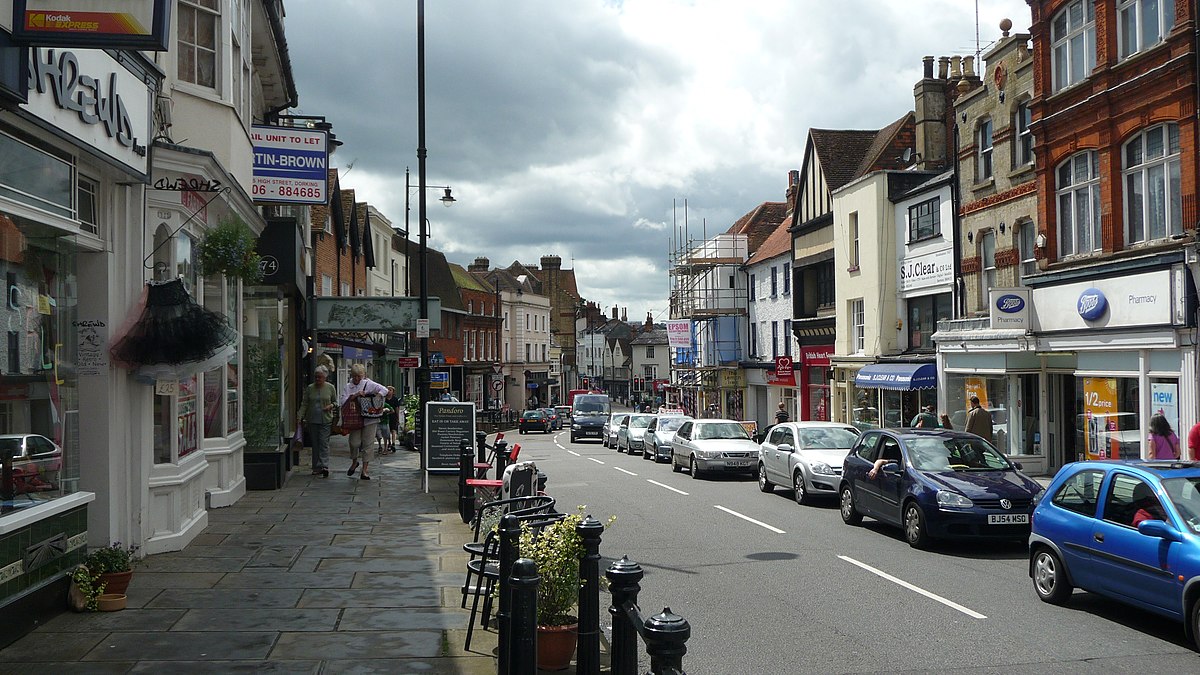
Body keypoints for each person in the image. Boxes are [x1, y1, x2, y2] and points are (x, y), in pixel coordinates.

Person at [340, 363, 389, 480]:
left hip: (370, 418)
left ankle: (365, 470)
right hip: (355, 418)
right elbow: (342, 401)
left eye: (359, 376)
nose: (357, 379)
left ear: (363, 375)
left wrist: (377, 396)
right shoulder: (348, 386)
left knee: (368, 444)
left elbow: (385, 390)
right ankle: (354, 462)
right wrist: (355, 395)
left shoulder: (369, 383)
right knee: (354, 443)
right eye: (355, 376)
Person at [298, 366, 337, 478]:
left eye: (320, 377)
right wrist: (299, 416)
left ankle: (324, 465)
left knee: (323, 442)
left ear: (325, 377)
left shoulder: (330, 388)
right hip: (312, 420)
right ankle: (316, 467)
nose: (318, 379)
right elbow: (304, 403)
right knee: (315, 444)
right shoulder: (310, 388)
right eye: (316, 377)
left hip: (326, 420)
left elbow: (335, 401)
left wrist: (331, 406)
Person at [384, 386, 403, 453]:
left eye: (390, 390)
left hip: (393, 416)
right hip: (386, 416)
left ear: (393, 392)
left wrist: (397, 417)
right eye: (387, 390)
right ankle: (389, 442)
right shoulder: (384, 399)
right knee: (387, 431)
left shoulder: (395, 399)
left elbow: (397, 408)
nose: (389, 391)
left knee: (393, 430)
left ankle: (393, 443)